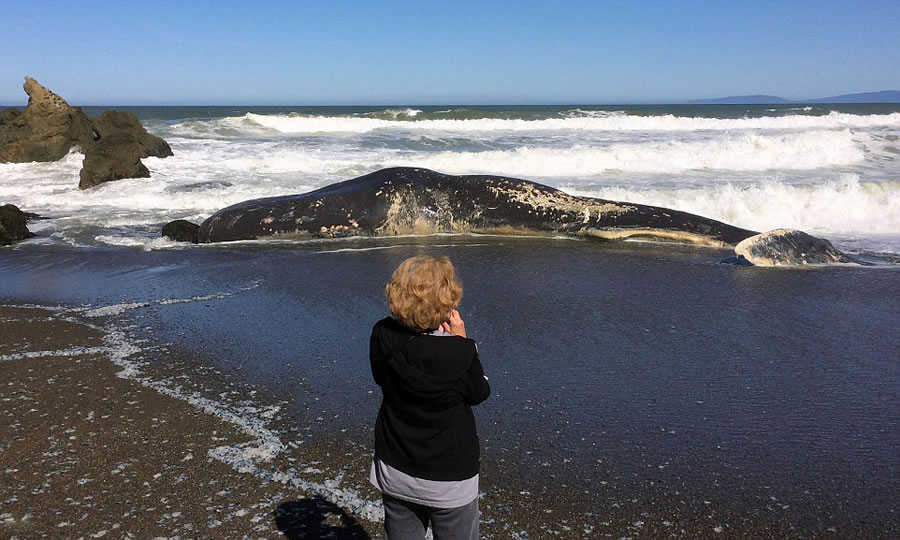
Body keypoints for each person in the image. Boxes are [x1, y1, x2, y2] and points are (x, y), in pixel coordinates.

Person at [369, 255, 491, 540]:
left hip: (395, 466)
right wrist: (462, 342)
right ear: (448, 302)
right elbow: (479, 392)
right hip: (450, 478)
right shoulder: (460, 352)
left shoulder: (382, 334)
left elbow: (380, 376)